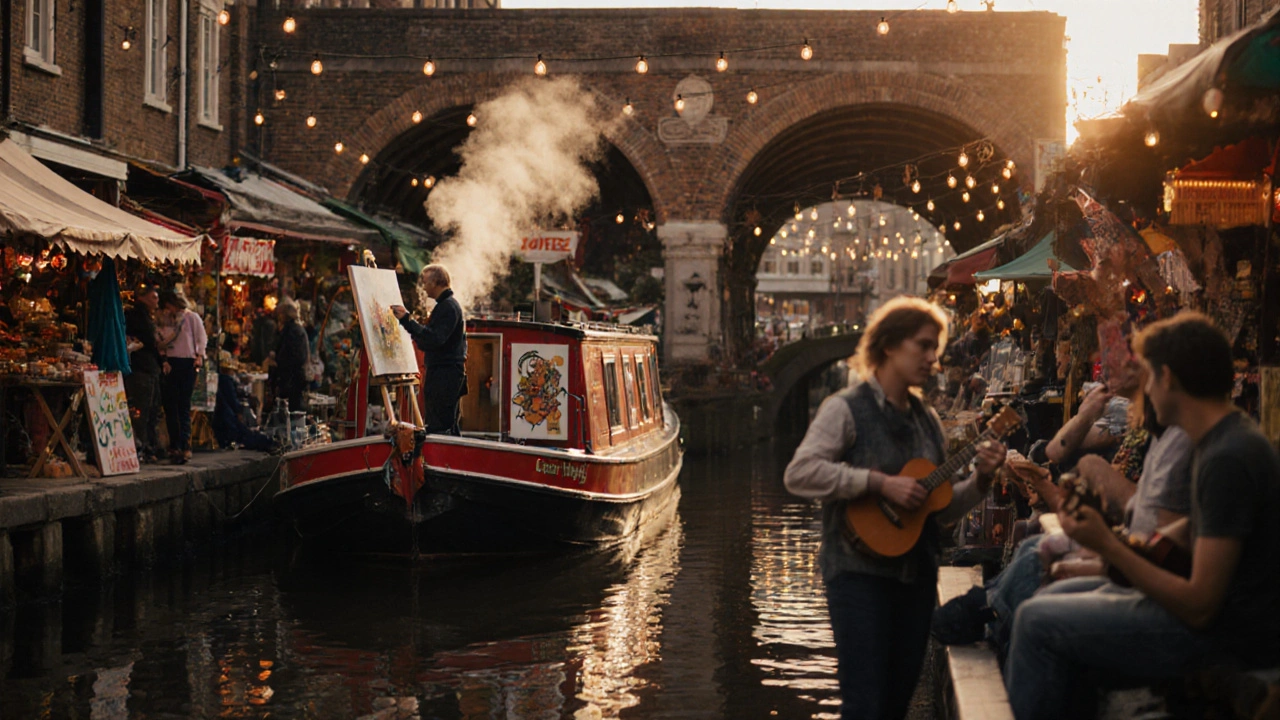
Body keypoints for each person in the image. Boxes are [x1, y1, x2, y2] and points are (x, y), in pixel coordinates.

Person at [1004, 313, 1280, 720]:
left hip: (1225, 637)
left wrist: (1106, 543)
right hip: (1212, 621)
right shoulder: (1222, 440)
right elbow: (1178, 542)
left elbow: (1201, 605)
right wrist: (1106, 548)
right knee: (1051, 598)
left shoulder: (1228, 458)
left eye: (1149, 377)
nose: (1145, 391)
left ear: (1167, 378)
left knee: (1036, 620)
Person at [784, 296, 1007, 720]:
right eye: (923, 346)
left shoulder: (929, 421)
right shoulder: (845, 409)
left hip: (915, 577)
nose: (932, 358)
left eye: (935, 349)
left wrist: (981, 480)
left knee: (896, 704)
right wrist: (878, 482)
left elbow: (938, 512)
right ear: (888, 346)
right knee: (865, 704)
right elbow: (799, 474)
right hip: (858, 576)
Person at [391, 264, 467, 435]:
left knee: (440, 425)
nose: (423, 287)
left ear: (436, 282)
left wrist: (407, 321)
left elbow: (434, 339)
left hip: (444, 375)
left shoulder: (447, 307)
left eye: (425, 282)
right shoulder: (446, 305)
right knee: (444, 423)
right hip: (445, 373)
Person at [157, 291, 207, 465]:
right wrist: (164, 359)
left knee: (183, 406)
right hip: (170, 362)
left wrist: (199, 355)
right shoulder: (165, 319)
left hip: (186, 361)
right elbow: (160, 339)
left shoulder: (190, 317)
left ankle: (185, 444)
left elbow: (200, 337)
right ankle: (174, 445)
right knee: (170, 405)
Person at [124, 284, 163, 462]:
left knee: (149, 409)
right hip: (142, 367)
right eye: (153, 297)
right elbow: (148, 339)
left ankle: (148, 445)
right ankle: (143, 446)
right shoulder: (137, 316)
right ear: (143, 297)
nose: (157, 301)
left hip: (147, 367)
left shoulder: (145, 316)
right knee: (144, 409)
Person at [270, 297, 310, 413]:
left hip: (291, 379)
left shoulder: (293, 331)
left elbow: (294, 356)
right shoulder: (294, 329)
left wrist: (277, 359)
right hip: (292, 378)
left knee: (292, 409)